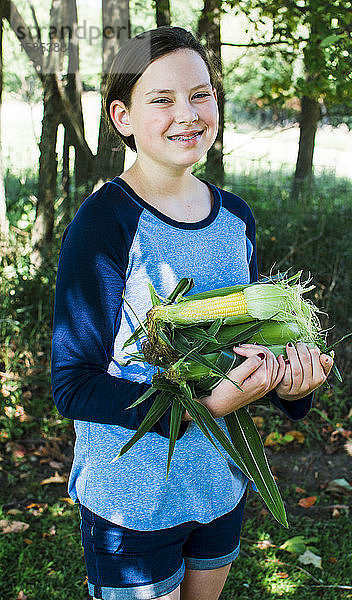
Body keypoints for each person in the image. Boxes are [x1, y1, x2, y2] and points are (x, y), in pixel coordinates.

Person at [51, 26, 333, 600]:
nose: (188, 113)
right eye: (162, 99)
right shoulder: (104, 223)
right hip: (133, 497)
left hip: (217, 485)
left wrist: (291, 385)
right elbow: (74, 387)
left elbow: (242, 348)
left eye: (200, 94)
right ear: (122, 117)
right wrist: (199, 407)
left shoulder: (236, 217)